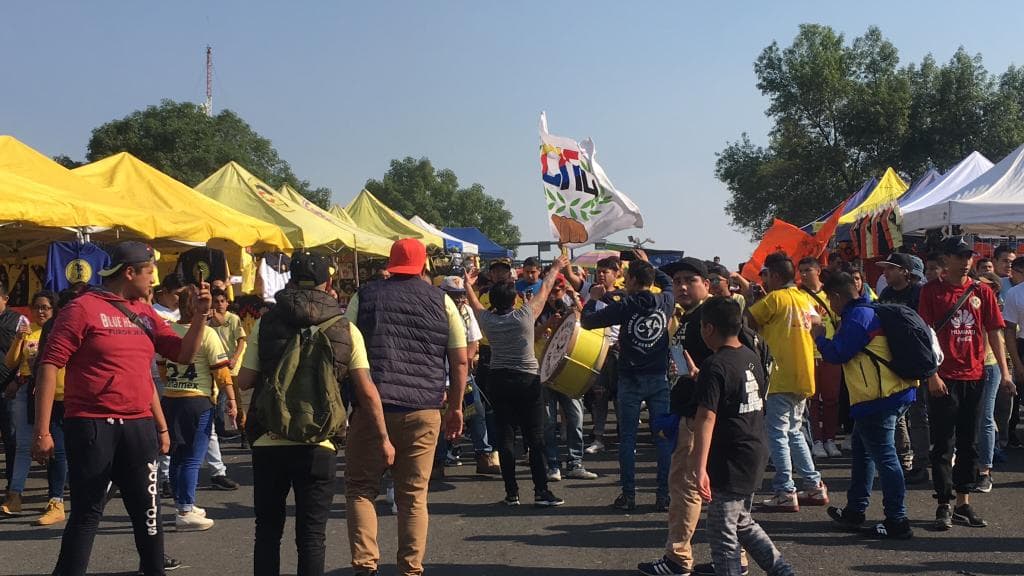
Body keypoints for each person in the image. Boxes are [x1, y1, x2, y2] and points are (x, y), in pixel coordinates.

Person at [32, 241, 212, 576]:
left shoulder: (145, 313)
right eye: (149, 273)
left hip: (138, 425)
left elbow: (184, 354)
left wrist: (200, 316)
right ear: (129, 272)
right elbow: (49, 364)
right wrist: (42, 431)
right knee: (88, 512)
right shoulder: (82, 308)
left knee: (149, 510)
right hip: (91, 424)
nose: (153, 281)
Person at [235, 250, 391, 576]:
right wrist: (383, 439)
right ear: (328, 281)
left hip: (268, 437)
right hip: (320, 442)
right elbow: (366, 391)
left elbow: (246, 381)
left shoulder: (265, 322)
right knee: (311, 535)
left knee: (267, 530)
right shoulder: (345, 328)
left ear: (290, 279)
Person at [345, 238, 468, 576]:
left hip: (373, 407)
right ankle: (410, 569)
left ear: (391, 262)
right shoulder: (442, 301)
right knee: (413, 494)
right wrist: (455, 406)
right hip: (424, 408)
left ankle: (365, 565)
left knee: (361, 488)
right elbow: (459, 361)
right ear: (424, 265)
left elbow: (346, 349)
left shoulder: (364, 296)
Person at [692, 297, 795, 576]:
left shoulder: (714, 365)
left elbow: (706, 417)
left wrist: (699, 467)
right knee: (742, 521)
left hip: (730, 457)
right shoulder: (751, 355)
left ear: (708, 328)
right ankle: (782, 570)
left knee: (722, 533)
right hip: (754, 448)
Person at [917, 236, 1013, 530]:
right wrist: (931, 374)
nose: (966, 260)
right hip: (943, 378)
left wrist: (1006, 373)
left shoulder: (981, 291)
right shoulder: (931, 292)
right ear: (946, 259)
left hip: (975, 374)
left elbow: (995, 330)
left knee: (968, 441)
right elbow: (925, 335)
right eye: (960, 256)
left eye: (968, 256)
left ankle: (963, 502)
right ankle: (943, 503)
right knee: (943, 442)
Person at [814, 272, 917, 539]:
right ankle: (855, 510)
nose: (830, 304)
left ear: (837, 296)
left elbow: (838, 353)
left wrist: (819, 336)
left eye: (829, 298)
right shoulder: (869, 311)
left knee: (885, 457)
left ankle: (897, 520)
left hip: (878, 398)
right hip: (889, 392)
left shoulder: (858, 318)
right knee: (862, 452)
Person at [465, 256, 567, 506]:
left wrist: (468, 284)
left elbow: (475, 304)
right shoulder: (524, 317)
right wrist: (555, 268)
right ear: (515, 300)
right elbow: (544, 291)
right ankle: (541, 491)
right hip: (527, 380)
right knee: (535, 438)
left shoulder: (488, 320)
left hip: (498, 379)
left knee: (505, 438)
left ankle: (512, 493)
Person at [581, 250, 675, 512]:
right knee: (663, 438)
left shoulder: (625, 306)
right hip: (659, 378)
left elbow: (587, 322)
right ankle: (663, 496)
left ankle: (629, 495)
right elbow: (667, 282)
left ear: (631, 280)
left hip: (630, 378)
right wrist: (649, 265)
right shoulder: (665, 301)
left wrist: (593, 299)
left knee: (629, 439)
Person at [637, 257, 713, 575]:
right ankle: (732, 557)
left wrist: (697, 380)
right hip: (692, 412)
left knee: (684, 487)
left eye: (690, 280)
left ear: (706, 284)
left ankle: (678, 558)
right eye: (677, 280)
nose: (682, 286)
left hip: (700, 416)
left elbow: (732, 363)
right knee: (716, 490)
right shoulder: (691, 317)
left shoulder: (711, 318)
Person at [744, 252, 828, 512]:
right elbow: (818, 322)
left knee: (777, 434)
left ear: (776, 275)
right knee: (794, 432)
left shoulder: (775, 299)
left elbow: (747, 322)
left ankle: (785, 490)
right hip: (804, 374)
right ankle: (813, 485)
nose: (764, 280)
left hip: (780, 375)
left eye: (766, 274)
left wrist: (751, 299)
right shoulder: (803, 298)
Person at [160, 288, 237, 532]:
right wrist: (233, 400)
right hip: (198, 400)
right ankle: (185, 509)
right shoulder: (208, 333)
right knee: (193, 458)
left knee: (177, 456)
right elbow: (222, 372)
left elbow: (161, 367)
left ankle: (182, 504)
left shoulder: (168, 329)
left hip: (171, 398)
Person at [534, 273, 599, 482]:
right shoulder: (537, 310)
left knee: (576, 418)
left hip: (569, 372)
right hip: (543, 372)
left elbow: (586, 327)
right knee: (548, 422)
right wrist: (548, 324)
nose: (555, 296)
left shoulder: (571, 309)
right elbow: (529, 334)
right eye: (551, 292)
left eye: (558, 291)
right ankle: (553, 464)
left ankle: (575, 463)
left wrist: (575, 303)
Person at [2, 290, 59, 518]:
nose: (41, 311)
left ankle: (55, 498)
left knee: (57, 448)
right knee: (24, 445)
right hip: (26, 390)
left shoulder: (58, 330)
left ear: (54, 310)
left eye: (45, 307)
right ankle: (15, 495)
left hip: (54, 393)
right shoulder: (26, 330)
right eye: (37, 307)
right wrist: (18, 338)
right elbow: (11, 361)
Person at [876, 253, 930, 486]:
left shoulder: (919, 293)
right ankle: (901, 458)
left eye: (890, 268)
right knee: (896, 414)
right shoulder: (886, 294)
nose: (885, 273)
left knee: (918, 414)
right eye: (885, 268)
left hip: (916, 360)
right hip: (892, 360)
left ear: (905, 272)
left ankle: (921, 464)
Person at [438, 276, 500, 475]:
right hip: (439, 376)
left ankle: (483, 456)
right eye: (454, 296)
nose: (459, 300)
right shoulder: (435, 313)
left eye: (461, 295)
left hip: (464, 374)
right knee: (439, 419)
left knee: (476, 415)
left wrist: (464, 363)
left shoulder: (466, 313)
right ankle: (437, 462)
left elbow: (474, 342)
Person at [797, 257, 842, 460]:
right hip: (807, 353)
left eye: (808, 270)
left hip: (830, 352)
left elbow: (841, 320)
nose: (804, 274)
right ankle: (816, 440)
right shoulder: (798, 295)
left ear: (818, 270)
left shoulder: (830, 293)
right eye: (801, 270)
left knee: (832, 398)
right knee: (812, 399)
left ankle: (830, 439)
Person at [584, 256, 624, 455]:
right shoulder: (592, 295)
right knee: (598, 396)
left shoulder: (623, 296)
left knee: (619, 397)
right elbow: (585, 319)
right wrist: (592, 299)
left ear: (616, 275)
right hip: (597, 351)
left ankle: (624, 437)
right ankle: (598, 437)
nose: (601, 274)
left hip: (618, 352)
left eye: (606, 271)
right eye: (599, 271)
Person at [0, 282, 23, 498]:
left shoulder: (18, 320)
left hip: (9, 389)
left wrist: (17, 380)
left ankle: (12, 486)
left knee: (11, 439)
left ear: (5, 299)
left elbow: (26, 352)